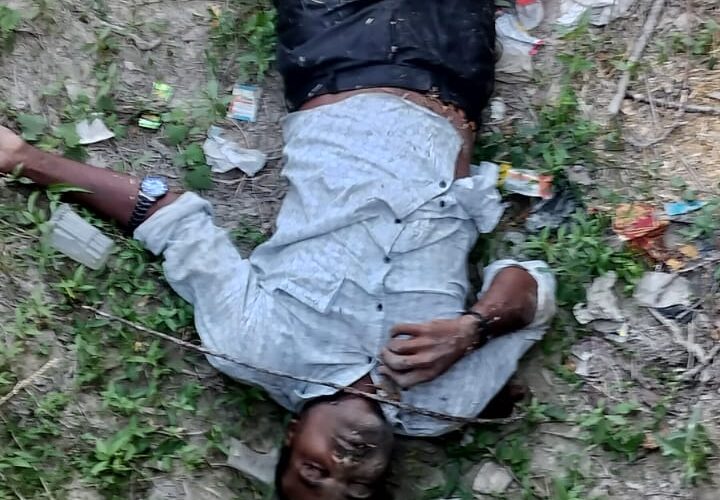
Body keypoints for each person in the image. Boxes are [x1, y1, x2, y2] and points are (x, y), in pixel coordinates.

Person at [0, 1, 556, 498]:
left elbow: (168, 218)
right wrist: (474, 329)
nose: (344, 465)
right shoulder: (447, 405)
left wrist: (25, 160)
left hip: (338, 50)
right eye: (356, 490)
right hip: (451, 71)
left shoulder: (255, 344)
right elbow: (535, 287)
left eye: (316, 471)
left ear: (292, 436)